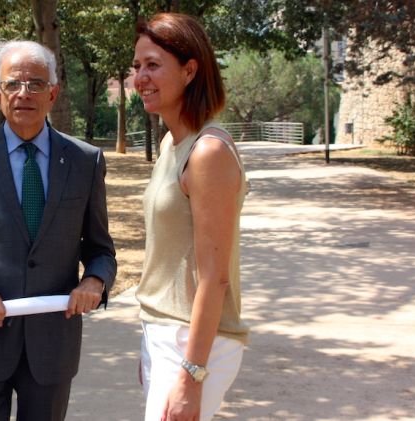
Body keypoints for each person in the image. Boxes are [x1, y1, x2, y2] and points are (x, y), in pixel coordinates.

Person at [0, 40, 116, 421]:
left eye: (35, 83)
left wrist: (95, 282)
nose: (24, 93)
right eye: (13, 84)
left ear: (54, 92)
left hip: (52, 348)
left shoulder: (85, 161)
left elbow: (100, 249)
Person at [133, 13, 249, 421]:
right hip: (166, 334)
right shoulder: (171, 143)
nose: (140, 78)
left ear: (189, 70)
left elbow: (215, 277)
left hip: (193, 341)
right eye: (137, 66)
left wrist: (191, 374)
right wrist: (150, 343)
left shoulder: (208, 152)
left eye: (153, 65)